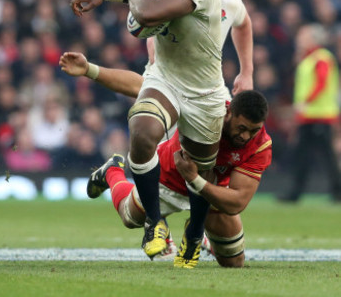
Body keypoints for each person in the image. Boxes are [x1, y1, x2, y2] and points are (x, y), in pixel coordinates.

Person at [70, 0, 226, 267]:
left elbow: (146, 12)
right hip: (165, 78)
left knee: (199, 170)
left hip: (204, 92)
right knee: (142, 131)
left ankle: (195, 233)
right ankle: (155, 224)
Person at [90, 90, 271, 268]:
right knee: (129, 219)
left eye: (253, 130)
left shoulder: (260, 145)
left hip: (210, 192)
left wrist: (195, 180)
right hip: (168, 177)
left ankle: (198, 227)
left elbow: (238, 201)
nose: (246, 136)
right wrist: (91, 70)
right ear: (229, 113)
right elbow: (149, 89)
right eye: (242, 128)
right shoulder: (207, 112)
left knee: (233, 262)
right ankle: (112, 171)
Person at [146, 0, 253, 96]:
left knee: (243, 116)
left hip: (208, 88)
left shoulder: (230, 2)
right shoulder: (173, 3)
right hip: (166, 84)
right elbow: (152, 43)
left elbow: (244, 25)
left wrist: (246, 73)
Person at [281, 24, 341, 202]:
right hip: (312, 115)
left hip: (318, 115)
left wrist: (304, 103)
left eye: (303, 36)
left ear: (313, 39)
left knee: (315, 155)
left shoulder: (320, 58)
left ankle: (298, 192)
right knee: (317, 155)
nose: (300, 39)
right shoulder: (312, 58)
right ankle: (333, 190)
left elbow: (320, 84)